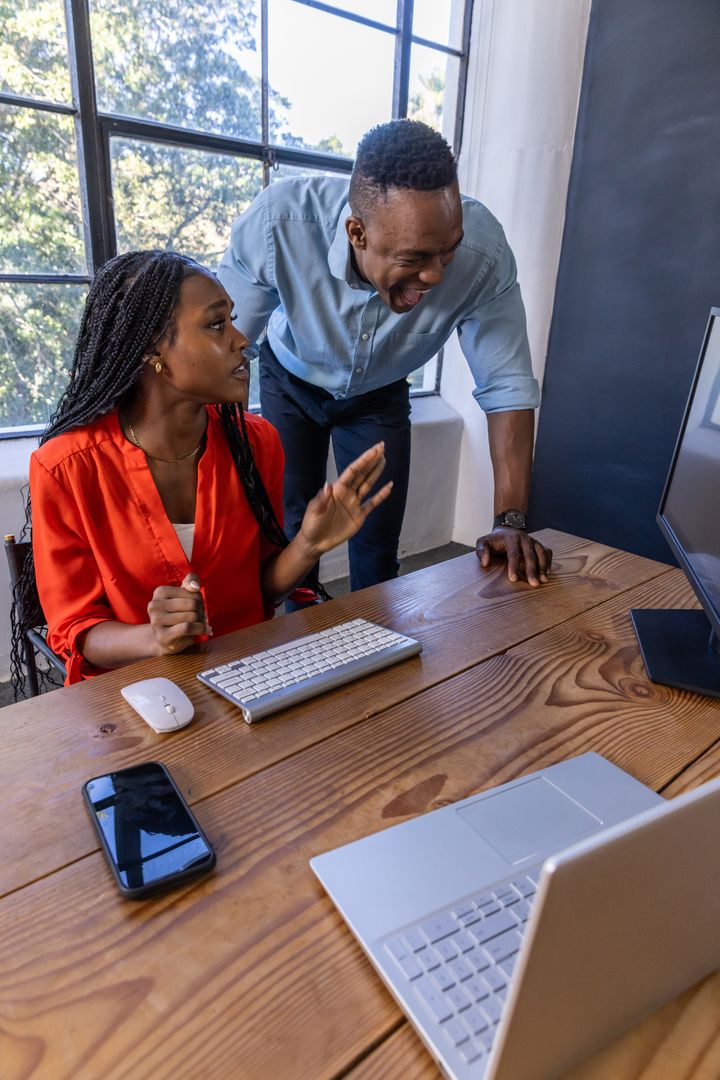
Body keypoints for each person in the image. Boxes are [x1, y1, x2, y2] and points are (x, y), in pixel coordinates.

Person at [15, 250, 391, 687]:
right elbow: (75, 629)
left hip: (248, 676)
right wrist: (153, 639)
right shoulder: (67, 467)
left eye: (232, 319)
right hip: (135, 695)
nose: (242, 340)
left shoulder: (256, 442)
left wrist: (308, 544)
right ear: (152, 348)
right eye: (217, 324)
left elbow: (258, 593)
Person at [218, 119, 552, 599]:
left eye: (447, 252)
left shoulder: (485, 253)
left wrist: (512, 521)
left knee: (376, 543)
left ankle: (374, 655)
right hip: (290, 379)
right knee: (294, 531)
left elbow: (508, 387)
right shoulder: (280, 224)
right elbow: (222, 349)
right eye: (415, 257)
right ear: (357, 233)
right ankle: (296, 652)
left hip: (379, 391)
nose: (435, 275)